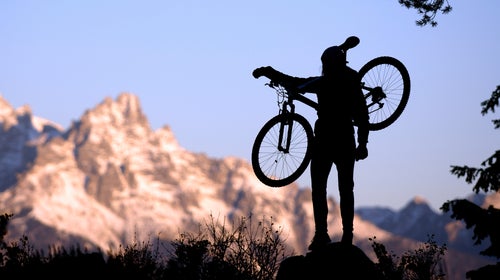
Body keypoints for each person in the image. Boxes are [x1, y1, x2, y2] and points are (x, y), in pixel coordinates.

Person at [252, 40, 369, 251]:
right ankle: (341, 236)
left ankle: (326, 235)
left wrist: (270, 73)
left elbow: (297, 83)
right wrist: (362, 143)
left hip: (327, 139)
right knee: (342, 189)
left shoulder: (326, 82)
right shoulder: (346, 81)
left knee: (323, 189)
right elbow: (362, 114)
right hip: (340, 140)